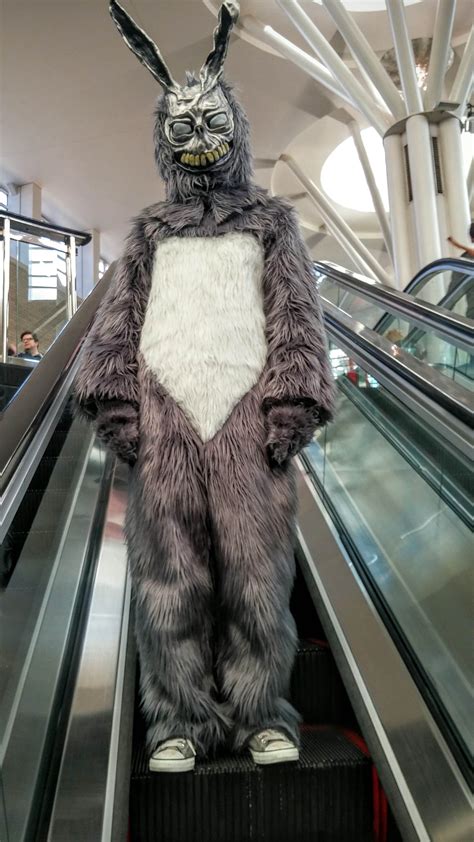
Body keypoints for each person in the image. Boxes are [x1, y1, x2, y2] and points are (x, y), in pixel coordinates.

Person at [75, 0, 334, 774]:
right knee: (168, 579)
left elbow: (295, 315)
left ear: (236, 130)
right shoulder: (151, 231)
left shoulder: (271, 223)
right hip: (166, 423)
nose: (198, 139)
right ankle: (178, 720)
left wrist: (291, 404)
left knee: (259, 576)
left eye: (211, 123)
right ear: (164, 138)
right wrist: (121, 409)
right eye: (182, 128)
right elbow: (116, 324)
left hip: (249, 419)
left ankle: (263, 712)